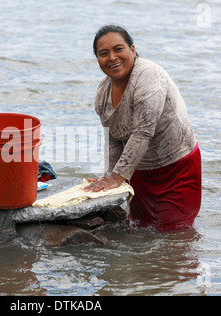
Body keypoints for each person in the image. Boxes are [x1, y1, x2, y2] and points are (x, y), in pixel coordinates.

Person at [84, 25, 202, 230]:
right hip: (138, 171)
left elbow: (143, 132)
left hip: (175, 168)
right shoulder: (103, 92)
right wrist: (109, 176)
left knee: (175, 234)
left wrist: (116, 177)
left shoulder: (148, 76)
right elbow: (112, 138)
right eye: (103, 54)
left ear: (132, 49)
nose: (112, 57)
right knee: (140, 228)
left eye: (118, 49)